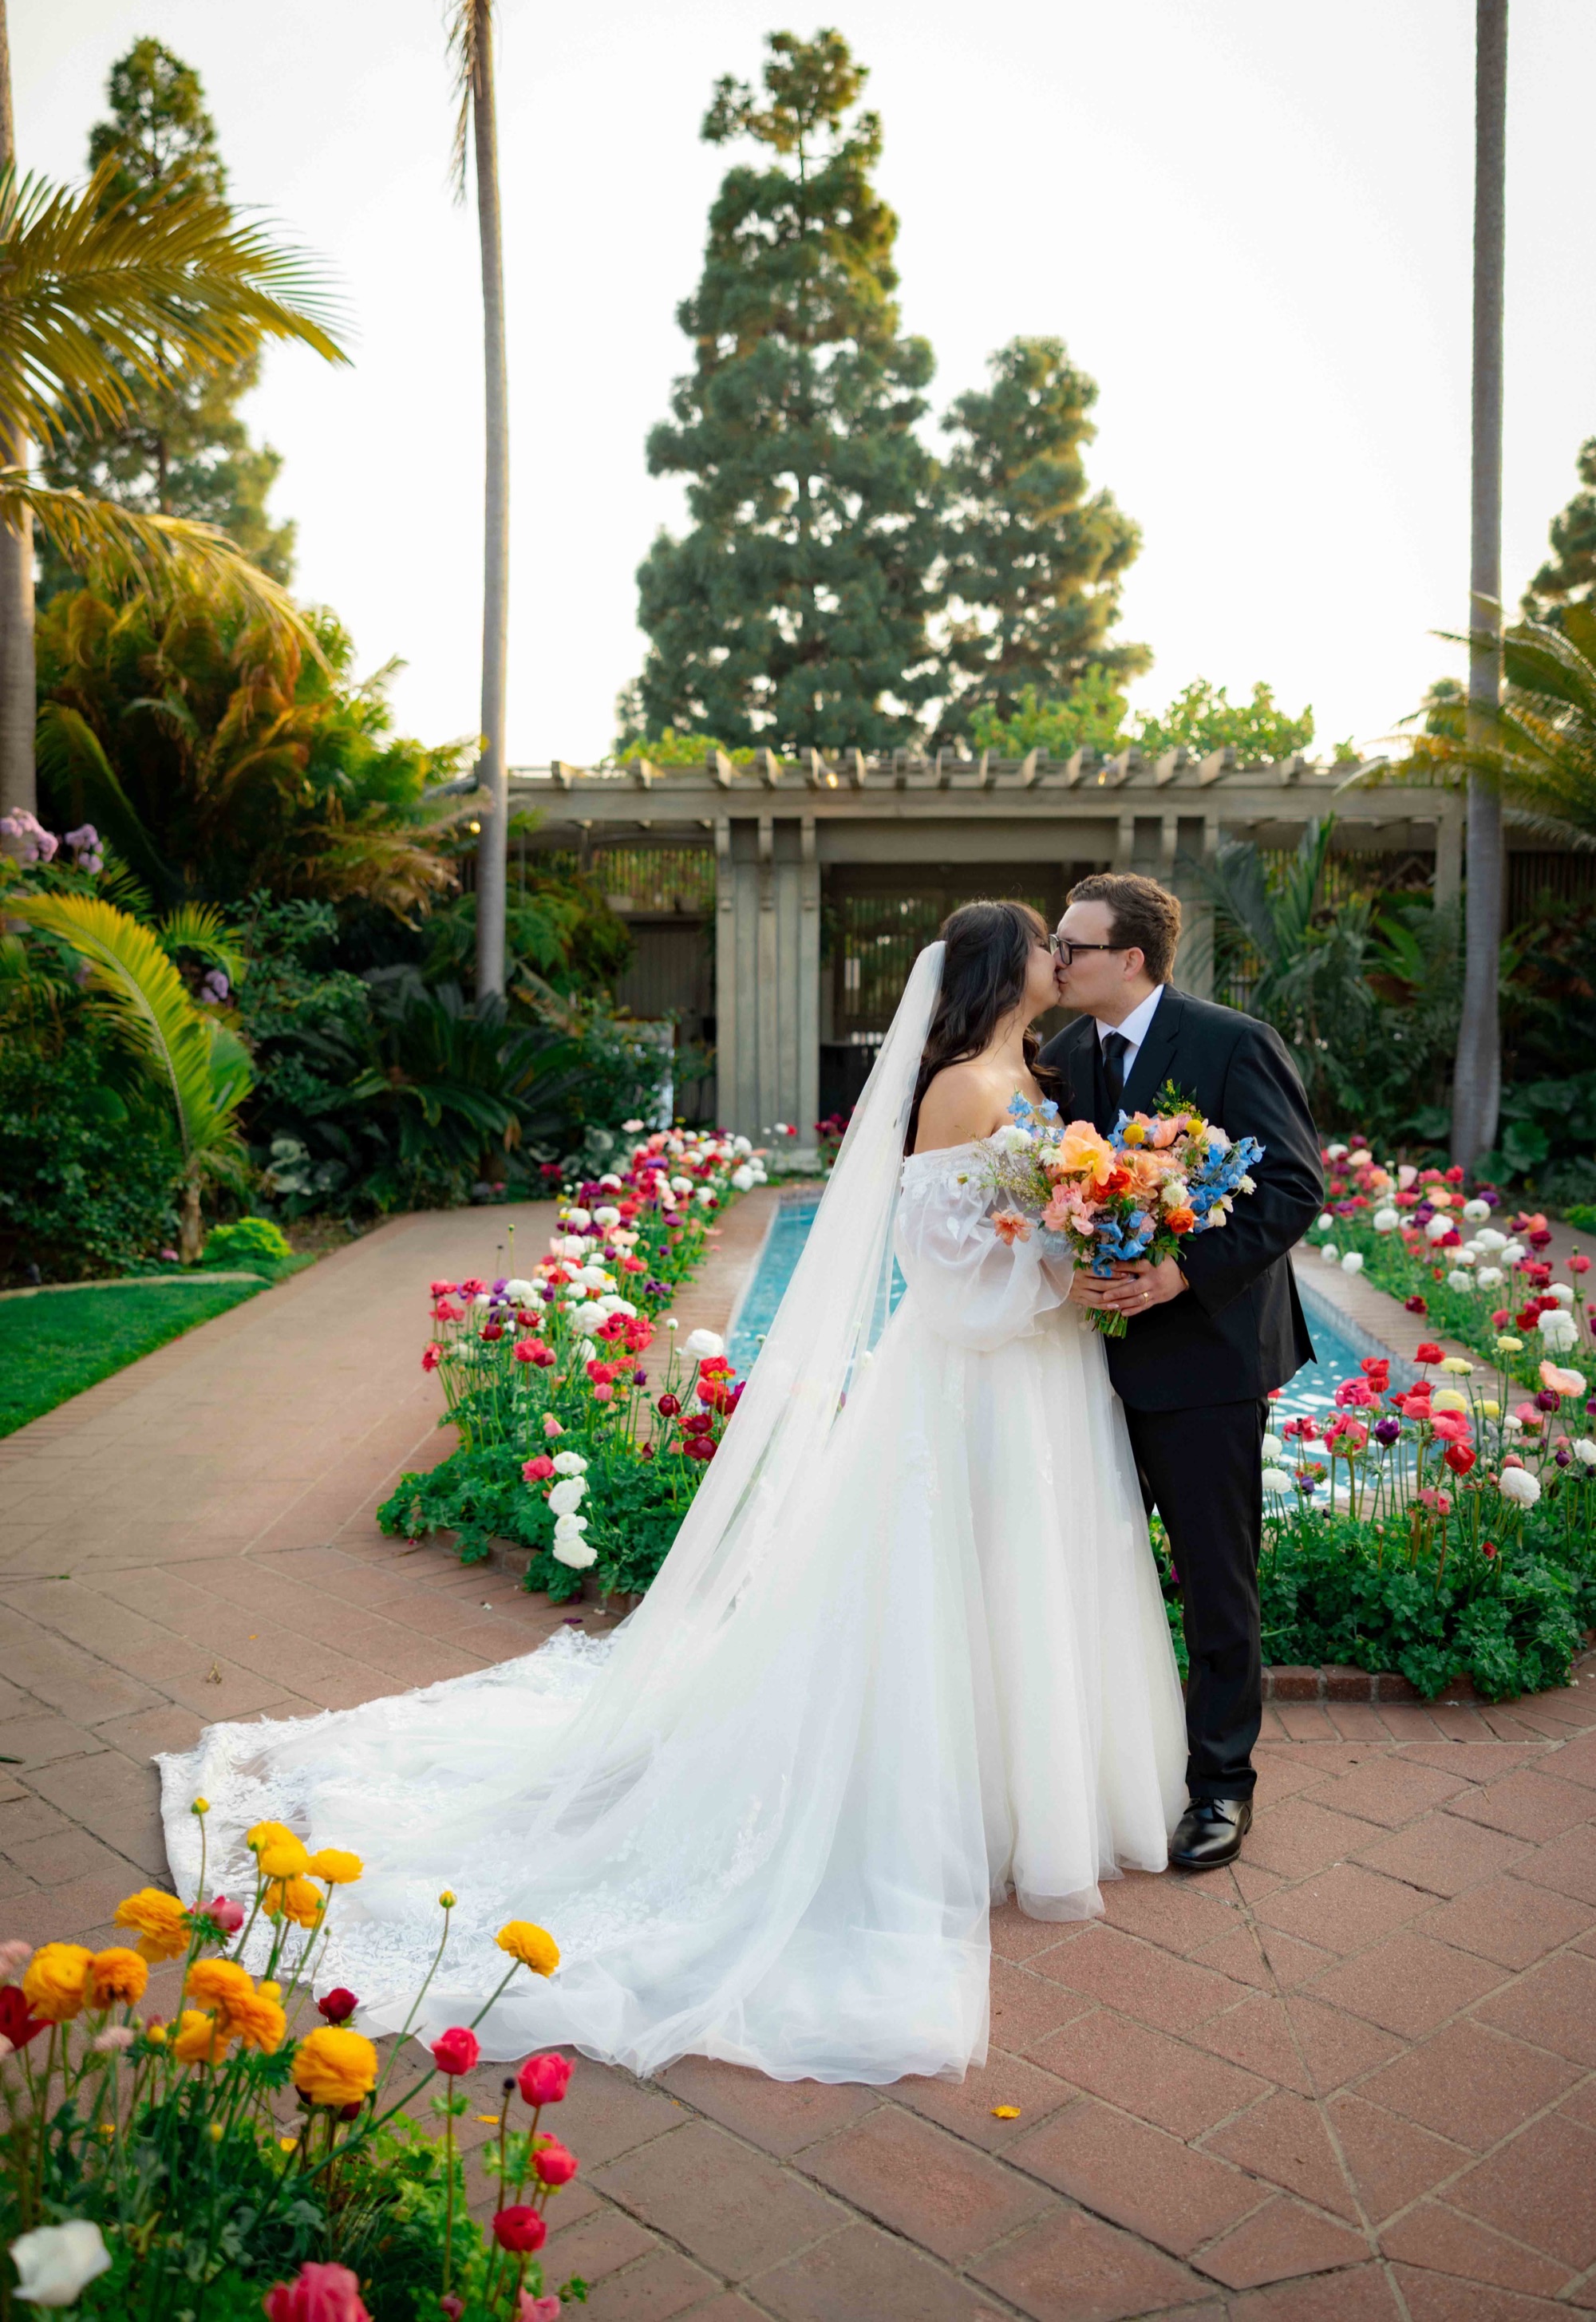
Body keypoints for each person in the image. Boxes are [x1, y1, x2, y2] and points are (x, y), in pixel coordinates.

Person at [160, 902, 1186, 2087]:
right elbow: (948, 1278)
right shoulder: (960, 1087)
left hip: (1045, 1384)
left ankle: (1033, 1799)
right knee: (948, 1587)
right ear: (1011, 967)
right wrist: (1062, 1278)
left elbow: (1025, 1226)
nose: (1064, 959)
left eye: (1077, 942)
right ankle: (941, 1813)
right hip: (978, 1380)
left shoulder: (1038, 1069)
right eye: (1047, 945)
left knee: (1032, 1574)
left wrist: (1089, 1240)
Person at [1038, 872, 1324, 1869]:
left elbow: (1292, 1185)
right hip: (1079, 1368)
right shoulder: (1060, 1058)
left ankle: (1219, 1785)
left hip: (1204, 1357)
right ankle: (1112, 1767)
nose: (1055, 959)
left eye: (1072, 945)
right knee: (1093, 1574)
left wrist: (1177, 1273)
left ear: (1130, 957)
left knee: (1215, 1578)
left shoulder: (1230, 1042)